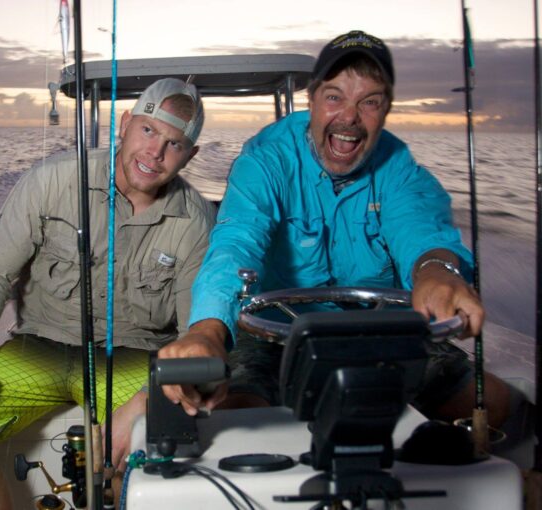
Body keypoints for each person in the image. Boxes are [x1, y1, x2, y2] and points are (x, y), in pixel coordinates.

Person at [159, 30, 511, 428]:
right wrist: (207, 330)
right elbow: (236, 241)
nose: (349, 117)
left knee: (494, 406)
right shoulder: (266, 159)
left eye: (369, 102)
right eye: (334, 97)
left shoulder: (398, 166)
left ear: (386, 109)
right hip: (274, 331)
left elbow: (422, 233)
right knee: (234, 421)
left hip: (378, 329)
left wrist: (436, 272)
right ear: (312, 100)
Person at [0, 78, 215, 510]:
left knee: (163, 440)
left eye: (174, 144)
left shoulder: (197, 220)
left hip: (133, 358)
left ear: (190, 156)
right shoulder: (51, 180)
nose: (155, 153)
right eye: (148, 131)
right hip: (39, 348)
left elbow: (194, 335)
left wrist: (143, 403)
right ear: (126, 123)